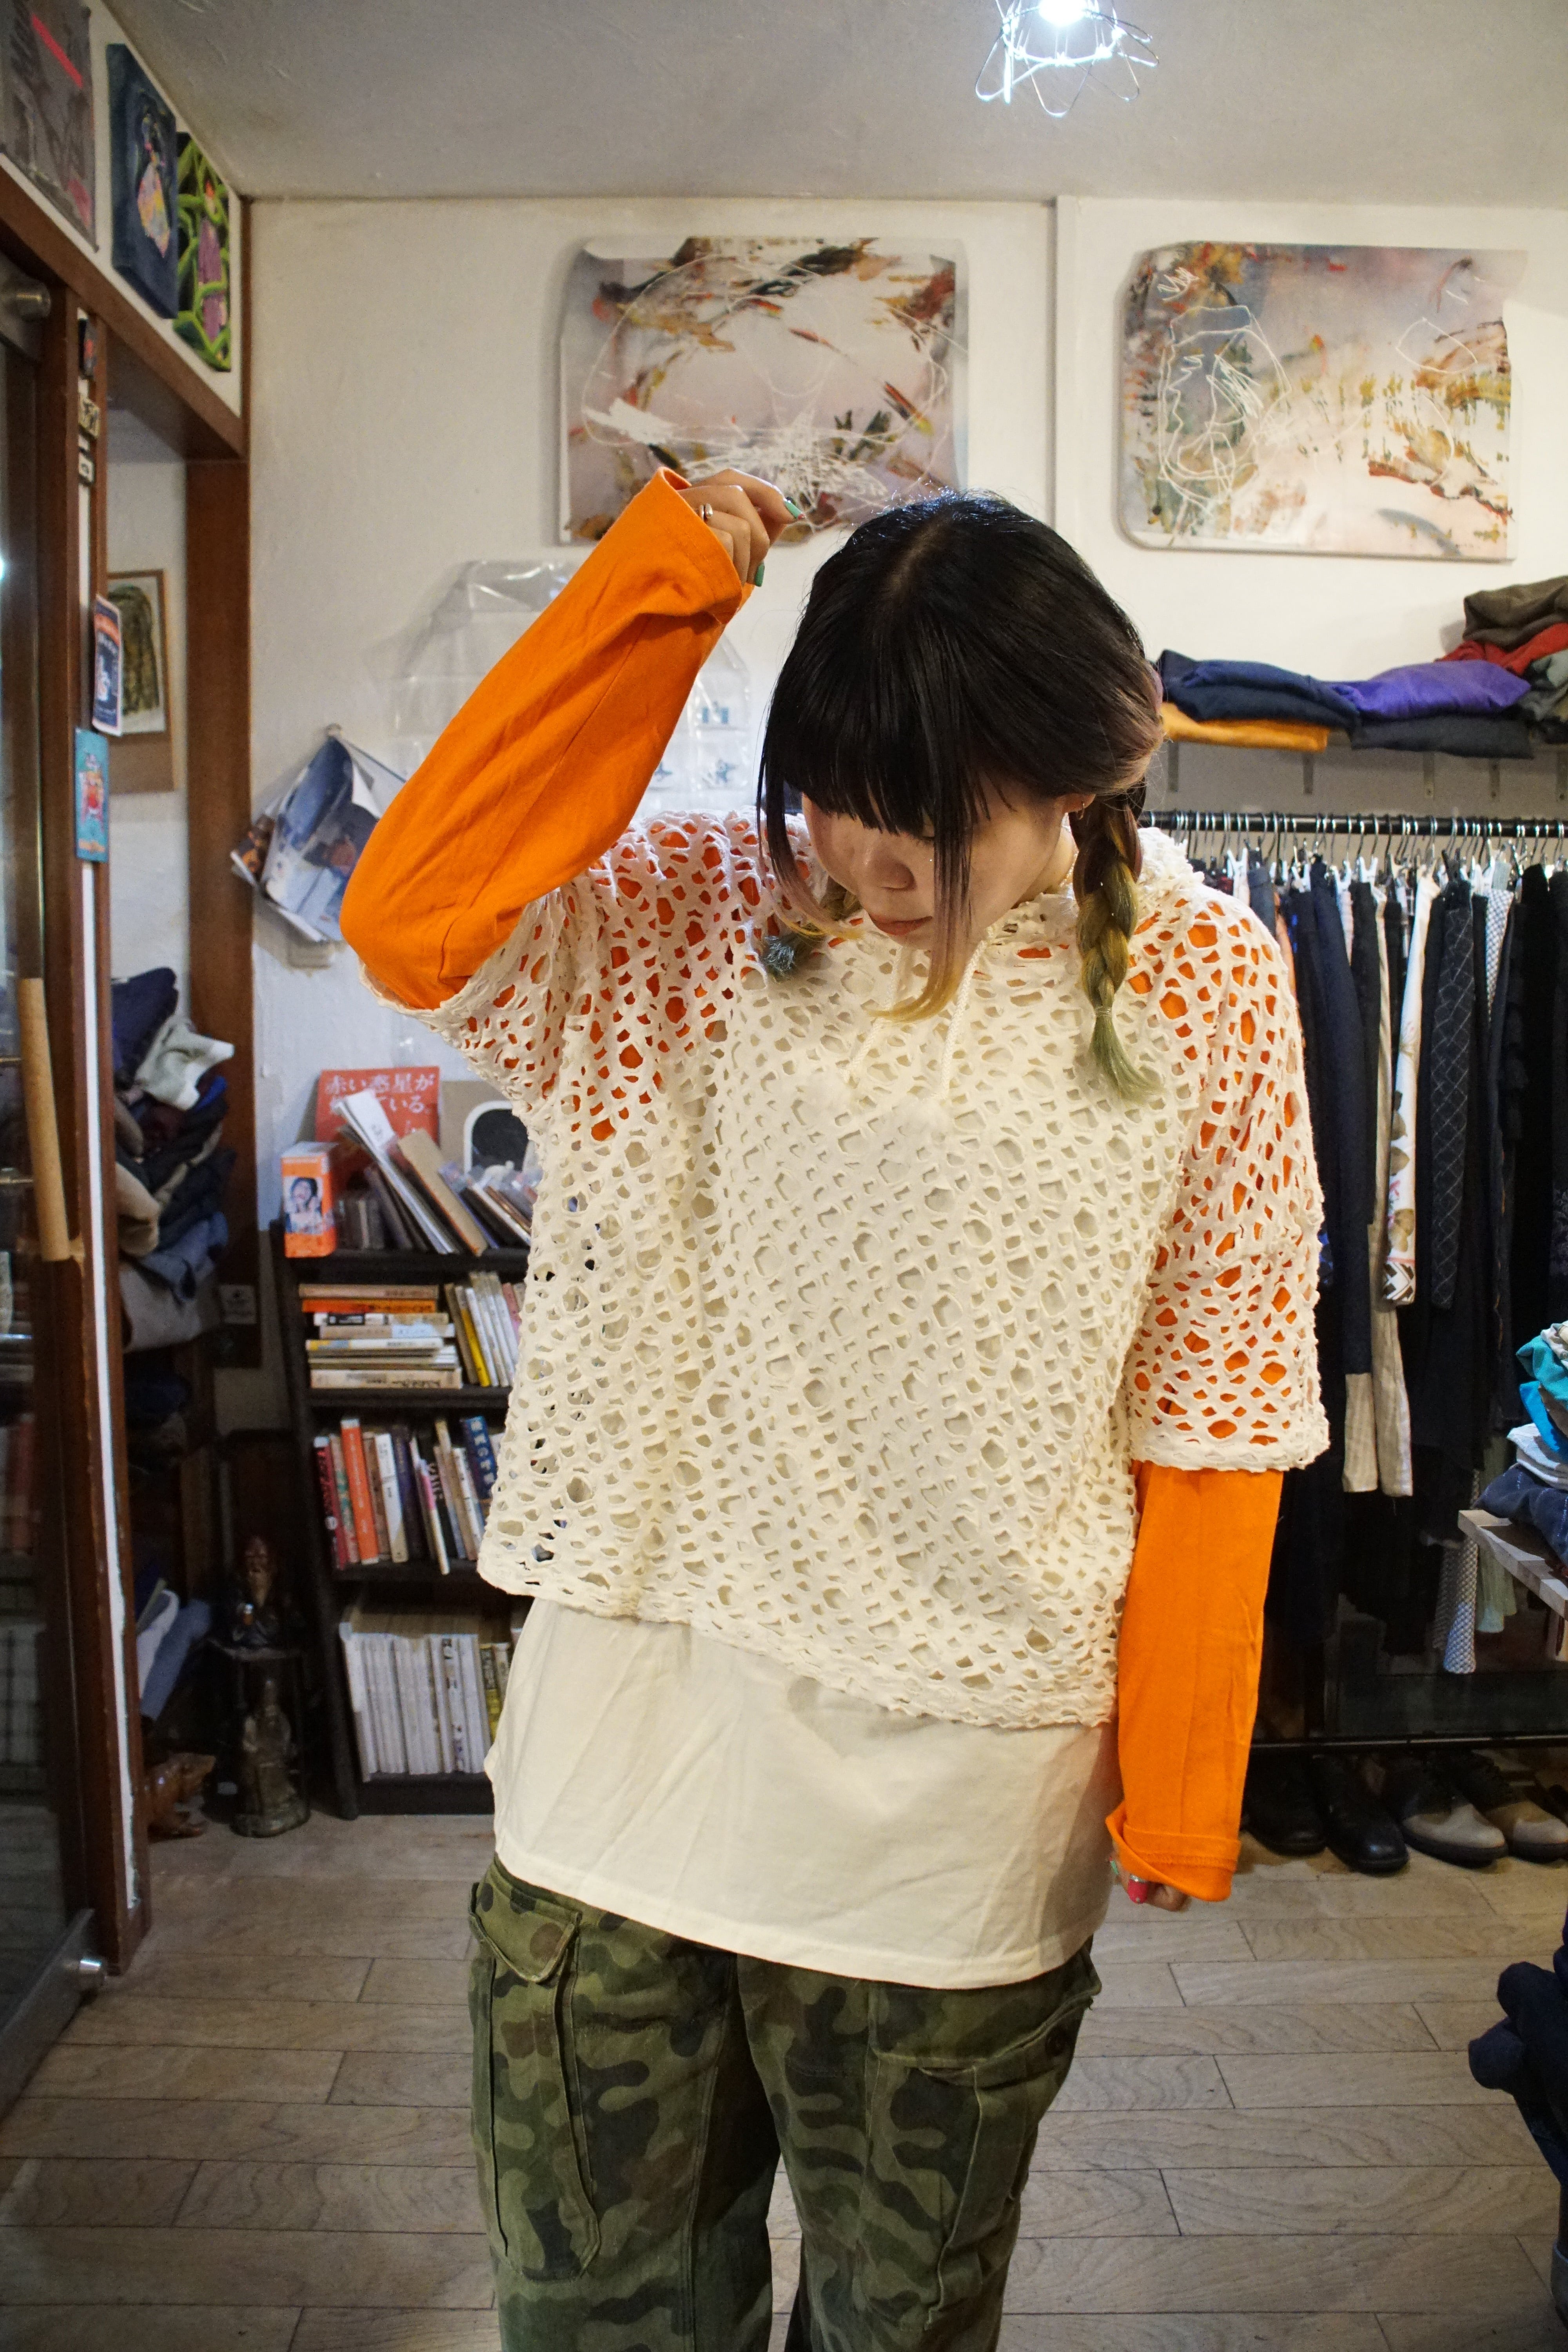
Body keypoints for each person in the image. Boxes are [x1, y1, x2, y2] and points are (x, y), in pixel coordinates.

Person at [342, 468, 1325, 2350]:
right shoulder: (692, 911)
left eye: (931, 815)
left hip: (952, 1815)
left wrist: (1186, 1791)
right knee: (597, 2315)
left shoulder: (1208, 984)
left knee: (900, 2326)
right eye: (838, 797)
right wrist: (668, 581)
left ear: (1090, 767)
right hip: (624, 1768)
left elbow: (1214, 1396)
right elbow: (412, 915)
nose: (870, 859)